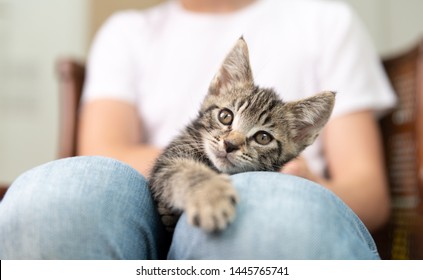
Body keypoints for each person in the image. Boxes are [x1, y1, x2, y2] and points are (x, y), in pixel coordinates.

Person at [0, 0, 396, 259]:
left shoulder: (326, 20)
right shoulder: (126, 32)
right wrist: (195, 171)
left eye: (257, 135)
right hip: (145, 208)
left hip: (285, 196)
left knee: (271, 213)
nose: (231, 138)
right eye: (227, 120)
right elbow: (102, 154)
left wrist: (302, 181)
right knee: (53, 194)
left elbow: (371, 193)